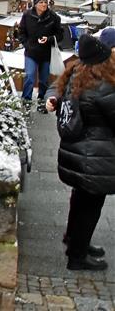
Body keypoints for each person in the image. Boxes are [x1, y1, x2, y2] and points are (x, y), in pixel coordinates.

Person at [45, 30, 115, 271]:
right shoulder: (103, 86)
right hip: (95, 156)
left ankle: (76, 241)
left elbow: (56, 88)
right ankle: (78, 256)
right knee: (91, 206)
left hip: (77, 151)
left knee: (81, 200)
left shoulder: (77, 73)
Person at [18, 0, 62, 112]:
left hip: (46, 54)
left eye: (45, 2)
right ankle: (26, 101)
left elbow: (60, 35)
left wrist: (48, 39)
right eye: (41, 2)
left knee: (44, 80)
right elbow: (21, 32)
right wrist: (26, 44)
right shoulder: (27, 15)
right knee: (30, 76)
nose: (44, 4)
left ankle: (42, 102)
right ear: (35, 4)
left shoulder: (53, 17)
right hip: (31, 52)